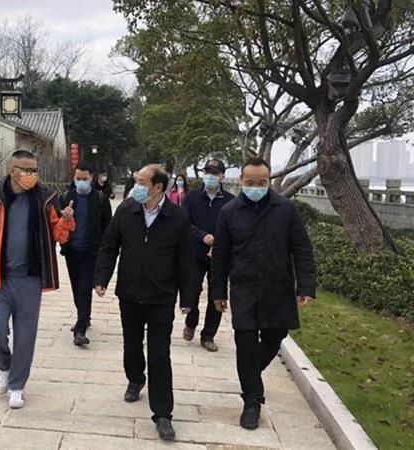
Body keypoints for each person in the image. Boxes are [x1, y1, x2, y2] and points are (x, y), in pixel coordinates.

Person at [0, 149, 76, 409]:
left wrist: (67, 221)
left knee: (25, 336)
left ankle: (17, 385)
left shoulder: (45, 198)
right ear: (12, 171)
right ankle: (4, 367)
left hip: (29, 280)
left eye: (34, 170)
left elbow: (59, 235)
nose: (30, 175)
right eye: (25, 170)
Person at [210, 157, 316, 430]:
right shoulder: (229, 212)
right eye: (250, 182)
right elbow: (220, 256)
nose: (255, 187)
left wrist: (306, 286)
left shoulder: (286, 210)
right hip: (244, 289)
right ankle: (252, 401)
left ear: (268, 181)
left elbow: (302, 249)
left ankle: (249, 375)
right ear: (241, 181)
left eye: (261, 182)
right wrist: (218, 292)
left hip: (277, 288)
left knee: (274, 337)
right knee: (245, 343)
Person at [93, 164, 195, 441]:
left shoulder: (177, 218)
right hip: (130, 292)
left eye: (141, 182)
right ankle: (135, 378)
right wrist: (101, 277)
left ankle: (163, 413)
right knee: (132, 343)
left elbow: (187, 261)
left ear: (158, 187)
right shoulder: (127, 210)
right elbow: (109, 245)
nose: (136, 186)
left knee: (160, 354)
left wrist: (188, 298)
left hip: (162, 296)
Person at [181, 160, 235, 352]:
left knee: (217, 294)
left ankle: (209, 335)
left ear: (222, 176)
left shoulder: (230, 201)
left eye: (215, 173)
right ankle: (191, 321)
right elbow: (184, 222)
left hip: (219, 255)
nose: (210, 176)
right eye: (207, 172)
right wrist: (203, 236)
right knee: (192, 290)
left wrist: (218, 241)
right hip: (195, 251)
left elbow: (233, 227)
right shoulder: (192, 197)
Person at [60, 162, 112, 346]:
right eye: (78, 178)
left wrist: (106, 251)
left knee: (84, 289)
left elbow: (108, 226)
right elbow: (58, 224)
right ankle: (84, 317)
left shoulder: (100, 199)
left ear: (92, 178)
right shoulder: (67, 197)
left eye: (84, 178)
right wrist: (64, 217)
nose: (81, 181)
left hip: (92, 252)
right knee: (76, 288)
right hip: (72, 251)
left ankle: (80, 330)